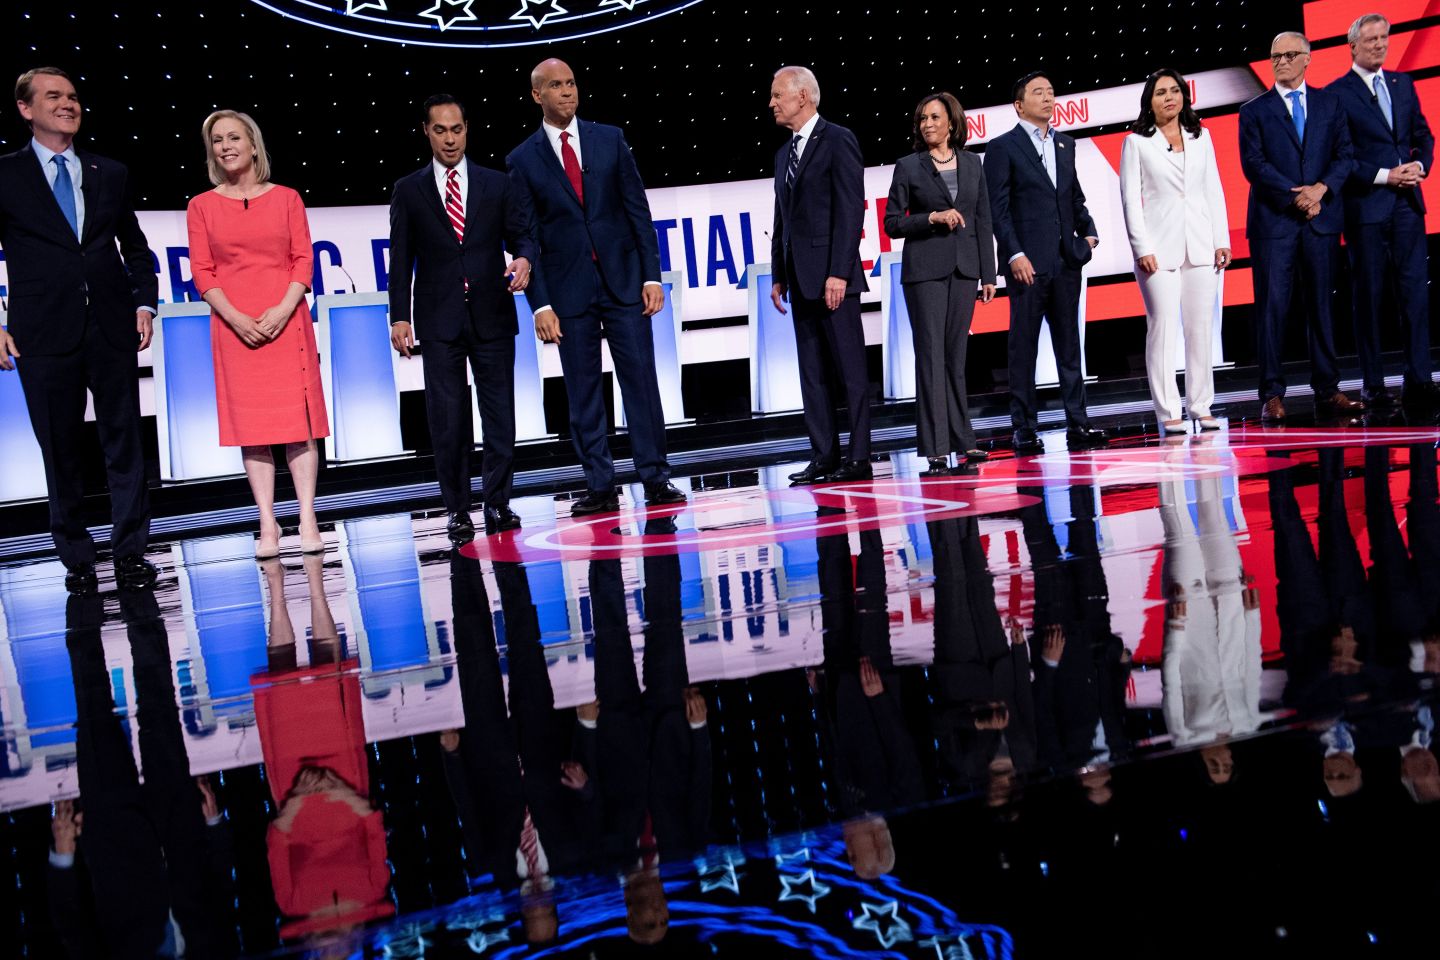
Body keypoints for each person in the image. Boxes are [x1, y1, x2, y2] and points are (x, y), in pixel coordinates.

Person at [0, 67, 158, 593]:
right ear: (26, 109)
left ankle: (131, 550)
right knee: (60, 447)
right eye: (53, 97)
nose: (68, 103)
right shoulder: (5, 174)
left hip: (111, 326)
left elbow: (135, 248)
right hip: (41, 333)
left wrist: (145, 304)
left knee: (125, 442)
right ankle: (77, 556)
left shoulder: (108, 171)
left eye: (72, 96)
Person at [506, 59, 685, 516]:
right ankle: (600, 484)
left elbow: (637, 211)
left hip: (624, 282)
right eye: (556, 86)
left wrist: (651, 274)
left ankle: (656, 477)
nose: (567, 92)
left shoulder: (610, 138)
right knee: (583, 390)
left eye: (571, 83)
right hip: (567, 294)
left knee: (641, 382)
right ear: (536, 96)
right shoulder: (522, 160)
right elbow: (525, 237)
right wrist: (540, 302)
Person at [389, 93, 535, 540]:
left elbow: (523, 235)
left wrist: (525, 258)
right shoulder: (409, 190)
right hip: (438, 321)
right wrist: (399, 317)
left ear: (467, 129)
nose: (449, 139)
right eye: (440, 130)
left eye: (456, 129)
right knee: (448, 420)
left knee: (500, 416)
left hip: (491, 314)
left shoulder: (497, 183)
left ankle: (497, 503)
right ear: (426, 132)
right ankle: (457, 509)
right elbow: (400, 260)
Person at [186, 110, 329, 559]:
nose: (226, 146)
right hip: (235, 328)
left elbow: (302, 259)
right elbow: (202, 272)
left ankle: (307, 517)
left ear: (253, 145)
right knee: (254, 430)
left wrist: (284, 309)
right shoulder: (201, 206)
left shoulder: (287, 198)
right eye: (217, 140)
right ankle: (268, 525)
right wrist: (236, 317)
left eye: (234, 137)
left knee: (298, 426)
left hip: (287, 322)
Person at [1239, 32, 1362, 423]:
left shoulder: (1331, 104)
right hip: (1275, 222)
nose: (1281, 62)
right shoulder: (1253, 110)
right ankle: (1272, 393)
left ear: (1307, 59)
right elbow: (1254, 165)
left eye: (1289, 55)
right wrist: (1298, 197)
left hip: (1321, 222)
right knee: (1273, 310)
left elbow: (1345, 156)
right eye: (1275, 56)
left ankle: (1328, 387)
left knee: (1322, 307)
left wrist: (1321, 191)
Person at [984, 71, 1107, 454]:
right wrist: (1014, 255)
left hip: (1066, 263)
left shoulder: (1065, 144)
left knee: (1070, 347)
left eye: (1052, 91)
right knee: (1023, 349)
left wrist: (1089, 236)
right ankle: (1023, 427)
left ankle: (1079, 424)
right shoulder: (1002, 147)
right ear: (1019, 104)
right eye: (1038, 92)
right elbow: (997, 210)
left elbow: (1075, 199)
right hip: (1026, 267)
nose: (1048, 97)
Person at [1327, 12, 1439, 411]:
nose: (1379, 45)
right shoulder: (1336, 94)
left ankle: (1420, 380)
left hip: (1409, 206)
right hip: (1366, 210)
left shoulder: (1403, 84)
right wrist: (1384, 176)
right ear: (1353, 45)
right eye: (1371, 39)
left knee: (1415, 296)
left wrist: (1418, 166)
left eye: (1384, 38)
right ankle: (1373, 384)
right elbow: (1340, 157)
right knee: (1370, 298)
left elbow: (1423, 135)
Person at [769, 65, 874, 484]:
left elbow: (851, 211)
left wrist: (839, 273)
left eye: (778, 95)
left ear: (804, 97)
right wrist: (779, 272)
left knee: (850, 371)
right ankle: (823, 456)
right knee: (811, 373)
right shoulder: (783, 154)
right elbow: (783, 219)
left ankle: (859, 456)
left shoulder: (838, 140)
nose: (771, 103)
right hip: (799, 278)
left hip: (835, 280)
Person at [884, 92, 996, 473]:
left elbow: (983, 220)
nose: (927, 124)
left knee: (956, 359)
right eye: (922, 119)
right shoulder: (908, 167)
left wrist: (989, 274)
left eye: (934, 117)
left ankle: (964, 441)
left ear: (952, 122)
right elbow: (893, 223)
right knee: (931, 357)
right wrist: (930, 217)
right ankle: (935, 447)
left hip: (965, 270)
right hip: (925, 273)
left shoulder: (972, 163)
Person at [1119, 68, 1232, 434]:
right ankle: (1169, 410)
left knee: (1200, 328)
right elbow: (1130, 200)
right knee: (1163, 328)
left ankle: (1201, 405)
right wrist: (1141, 247)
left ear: (1184, 96)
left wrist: (1222, 239)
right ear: (1149, 103)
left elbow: (1213, 189)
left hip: (1200, 244)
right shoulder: (1137, 142)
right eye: (1160, 93)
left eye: (1174, 91)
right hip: (1157, 248)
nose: (1169, 97)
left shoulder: (1202, 137)